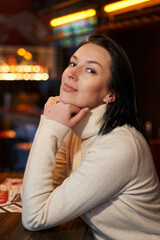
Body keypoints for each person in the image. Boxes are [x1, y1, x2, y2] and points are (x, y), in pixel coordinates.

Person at [21, 34, 160, 240]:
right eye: (73, 63)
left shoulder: (119, 146)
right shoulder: (77, 124)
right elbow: (39, 194)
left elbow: (35, 216)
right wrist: (56, 126)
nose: (71, 73)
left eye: (90, 70)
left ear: (110, 94)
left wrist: (50, 127)